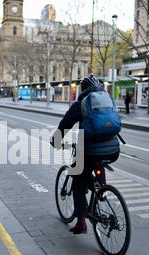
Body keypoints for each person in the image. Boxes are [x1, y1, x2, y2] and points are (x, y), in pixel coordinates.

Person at [51, 75, 121, 235]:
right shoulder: (109, 100)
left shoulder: (81, 104)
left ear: (83, 89)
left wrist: (56, 141)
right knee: (98, 162)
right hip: (113, 150)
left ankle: (81, 222)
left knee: (78, 177)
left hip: (89, 150)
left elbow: (65, 125)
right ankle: (101, 189)